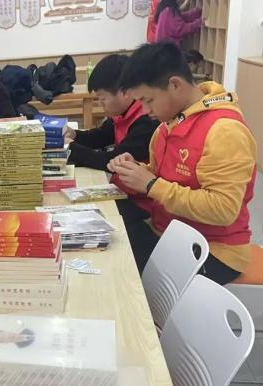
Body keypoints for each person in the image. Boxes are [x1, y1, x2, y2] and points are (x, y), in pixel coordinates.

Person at [108, 42, 257, 285]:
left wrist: (150, 184)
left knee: (121, 274)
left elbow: (223, 209)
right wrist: (133, 170)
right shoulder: (168, 126)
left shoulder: (224, 131)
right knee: (113, 240)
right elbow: (160, 177)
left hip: (215, 250)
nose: (145, 110)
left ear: (175, 84)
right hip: (172, 233)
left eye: (148, 100)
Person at [64, 54, 160, 222]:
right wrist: (75, 135)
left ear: (125, 92)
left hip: (141, 204)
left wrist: (70, 147)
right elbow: (101, 136)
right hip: (121, 190)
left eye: (102, 99)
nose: (100, 104)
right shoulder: (122, 112)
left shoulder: (146, 121)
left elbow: (111, 161)